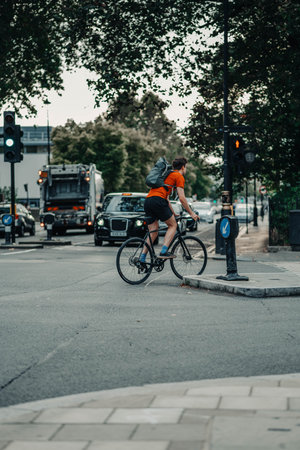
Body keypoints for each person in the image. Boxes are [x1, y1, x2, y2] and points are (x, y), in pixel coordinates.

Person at [140, 156, 200, 261]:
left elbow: (166, 199)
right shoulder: (178, 176)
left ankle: (142, 257)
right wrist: (192, 213)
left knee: (153, 232)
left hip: (148, 201)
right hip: (158, 201)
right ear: (183, 167)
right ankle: (163, 251)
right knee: (173, 225)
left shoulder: (166, 175)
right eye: (185, 167)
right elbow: (182, 198)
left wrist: (173, 213)